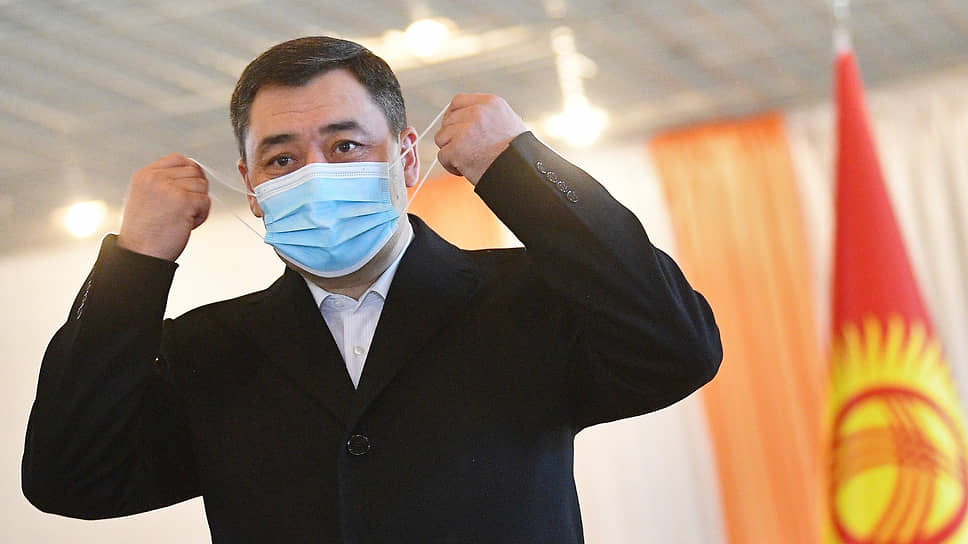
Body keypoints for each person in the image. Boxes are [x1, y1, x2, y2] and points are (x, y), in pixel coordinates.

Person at [22, 36, 721, 543]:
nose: (314, 173)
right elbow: (69, 477)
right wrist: (134, 264)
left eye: (346, 145)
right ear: (252, 187)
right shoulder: (206, 350)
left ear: (406, 158)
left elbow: (678, 348)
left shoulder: (525, 297)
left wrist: (521, 171)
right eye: (281, 158)